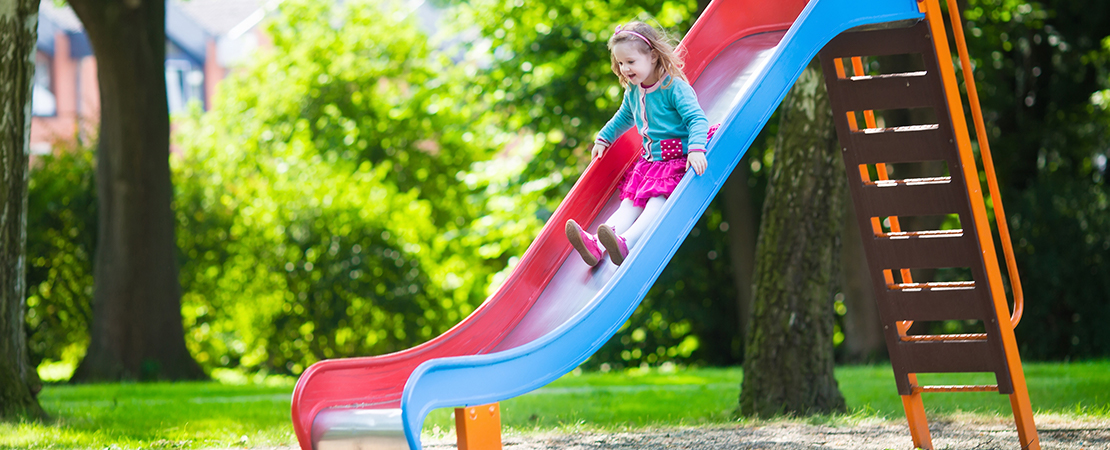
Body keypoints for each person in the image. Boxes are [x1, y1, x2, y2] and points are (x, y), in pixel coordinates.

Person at [566, 21, 716, 266]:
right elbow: (623, 117)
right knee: (629, 203)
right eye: (621, 63)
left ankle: (627, 241)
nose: (625, 68)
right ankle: (597, 244)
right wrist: (604, 137)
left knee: (656, 202)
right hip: (650, 162)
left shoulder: (673, 87)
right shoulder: (634, 91)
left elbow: (696, 119)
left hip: (677, 159)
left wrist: (697, 149)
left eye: (631, 62)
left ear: (653, 57)